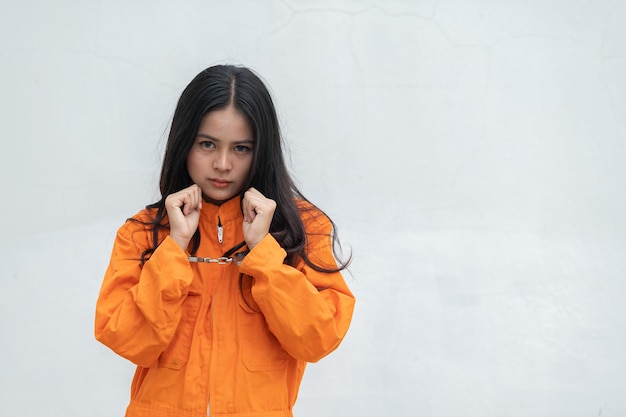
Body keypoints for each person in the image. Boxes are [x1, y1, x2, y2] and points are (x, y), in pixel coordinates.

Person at [94, 64, 355, 417]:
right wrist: (174, 247)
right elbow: (128, 340)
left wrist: (264, 254)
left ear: (262, 150)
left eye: (241, 148)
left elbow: (317, 339)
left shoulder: (301, 229)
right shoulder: (144, 232)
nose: (222, 164)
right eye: (207, 144)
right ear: (184, 143)